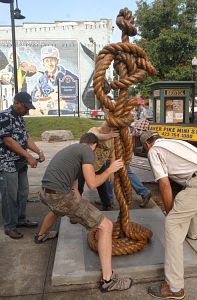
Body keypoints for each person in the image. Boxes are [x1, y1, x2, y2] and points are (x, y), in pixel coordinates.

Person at [34, 132, 132, 293]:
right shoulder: (87, 151)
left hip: (46, 193)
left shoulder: (72, 150)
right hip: (59, 196)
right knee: (106, 226)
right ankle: (108, 280)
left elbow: (74, 184)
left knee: (58, 209)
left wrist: (79, 203)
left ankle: (40, 235)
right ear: (93, 145)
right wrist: (110, 170)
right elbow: (92, 184)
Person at [140, 131, 197, 299]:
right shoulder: (173, 142)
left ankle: (174, 287)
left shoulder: (154, 151)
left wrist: (170, 213)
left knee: (173, 224)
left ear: (147, 144)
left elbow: (164, 184)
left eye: (144, 148)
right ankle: (193, 233)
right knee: (188, 199)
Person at [0, 92, 45, 239]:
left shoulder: (20, 117)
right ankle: (10, 226)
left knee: (23, 193)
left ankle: (20, 219)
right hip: (7, 163)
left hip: (20, 163)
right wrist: (28, 156)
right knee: (10, 196)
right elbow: (8, 141)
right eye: (25, 107)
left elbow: (25, 138)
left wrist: (38, 151)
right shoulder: (5, 116)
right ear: (17, 102)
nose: (27, 111)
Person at [79, 122, 152, 209]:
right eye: (109, 131)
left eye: (111, 131)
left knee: (112, 176)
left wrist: (112, 171)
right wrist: (109, 135)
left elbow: (113, 154)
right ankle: (107, 200)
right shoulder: (96, 130)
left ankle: (108, 201)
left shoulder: (114, 137)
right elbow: (96, 136)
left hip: (112, 157)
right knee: (86, 183)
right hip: (93, 162)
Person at [31, 45, 78, 115]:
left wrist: (61, 98)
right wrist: (36, 96)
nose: (50, 64)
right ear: (43, 63)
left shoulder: (70, 77)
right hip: (46, 116)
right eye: (47, 61)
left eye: (52, 60)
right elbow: (33, 97)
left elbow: (75, 102)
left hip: (65, 116)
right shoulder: (42, 79)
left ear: (57, 61)